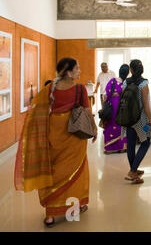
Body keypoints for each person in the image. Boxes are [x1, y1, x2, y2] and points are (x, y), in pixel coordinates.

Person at [14, 57, 97, 227]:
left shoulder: (50, 88)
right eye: (77, 68)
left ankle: (50, 215)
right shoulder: (80, 89)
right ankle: (74, 207)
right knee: (76, 170)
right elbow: (88, 112)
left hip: (53, 132)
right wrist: (94, 129)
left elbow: (37, 110)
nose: (79, 71)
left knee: (54, 170)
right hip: (73, 133)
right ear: (68, 72)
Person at [123, 59, 151, 184]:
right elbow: (146, 106)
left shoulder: (126, 82)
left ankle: (134, 171)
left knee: (131, 144)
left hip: (128, 118)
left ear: (131, 69)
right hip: (141, 120)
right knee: (145, 143)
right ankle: (133, 170)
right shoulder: (143, 83)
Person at [103, 64, 129, 154]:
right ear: (127, 73)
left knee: (110, 124)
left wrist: (113, 95)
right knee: (122, 125)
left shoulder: (112, 81)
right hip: (123, 107)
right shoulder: (126, 83)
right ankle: (122, 147)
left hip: (112, 107)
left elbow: (105, 94)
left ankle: (109, 148)